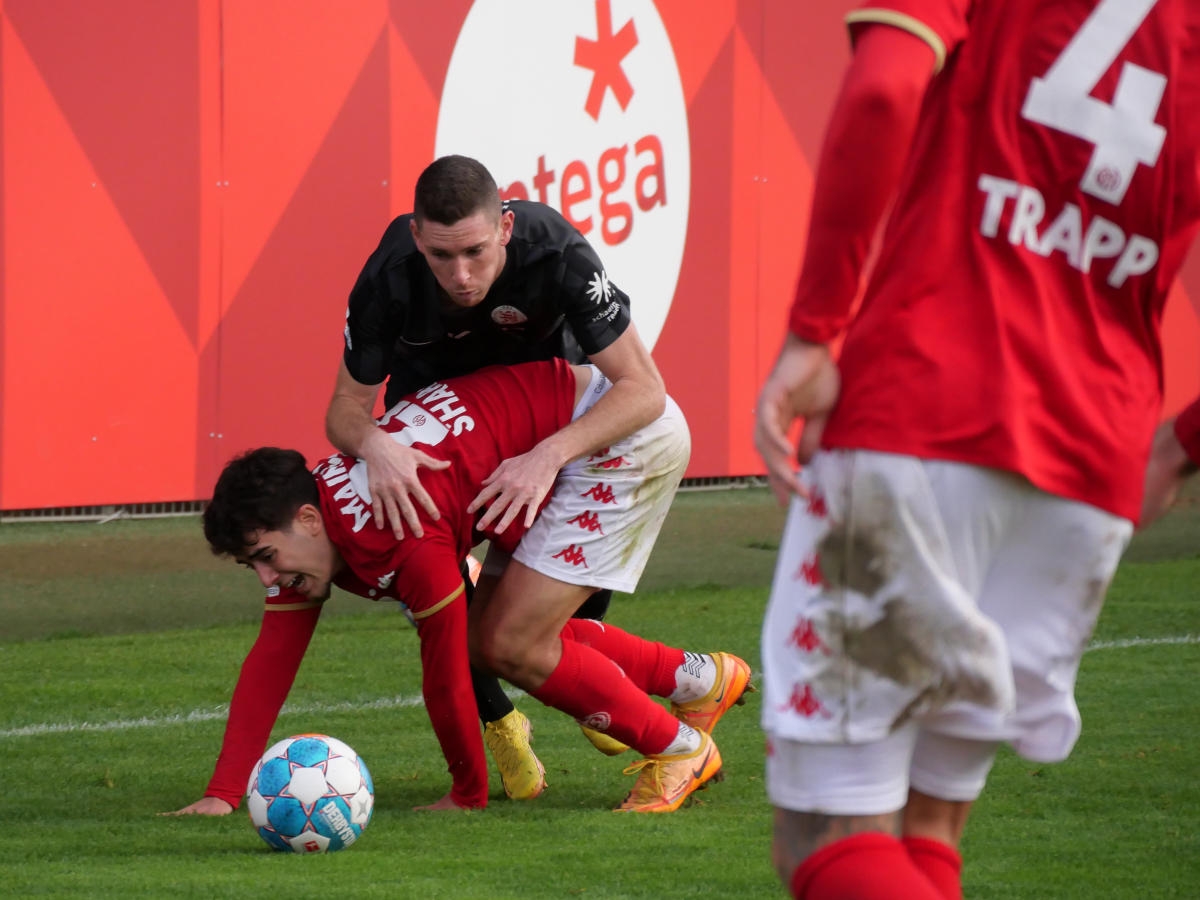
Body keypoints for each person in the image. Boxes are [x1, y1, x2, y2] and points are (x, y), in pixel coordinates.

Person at [753, 2, 1200, 898]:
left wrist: (813, 331)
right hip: (1090, 470)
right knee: (927, 823)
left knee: (824, 834)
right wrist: (1179, 449)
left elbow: (882, 93)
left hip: (921, 414)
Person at [166, 359, 752, 816]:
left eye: (267, 557)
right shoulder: (313, 518)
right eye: (255, 567)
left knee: (507, 645)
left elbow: (445, 679)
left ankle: (679, 749)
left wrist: (466, 791)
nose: (270, 579)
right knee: (501, 636)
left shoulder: (399, 533)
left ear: (309, 519)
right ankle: (700, 679)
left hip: (615, 438)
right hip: (556, 439)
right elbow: (270, 661)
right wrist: (223, 791)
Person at [324, 154, 665, 785]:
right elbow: (343, 410)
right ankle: (500, 723)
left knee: (551, 622)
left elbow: (645, 391)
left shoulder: (556, 251)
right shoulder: (389, 277)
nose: (460, 275)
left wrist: (551, 455)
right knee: (433, 586)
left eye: (476, 252)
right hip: (435, 428)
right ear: (417, 236)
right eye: (441, 257)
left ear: (506, 227)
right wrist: (374, 445)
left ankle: (604, 683)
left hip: (542, 420)